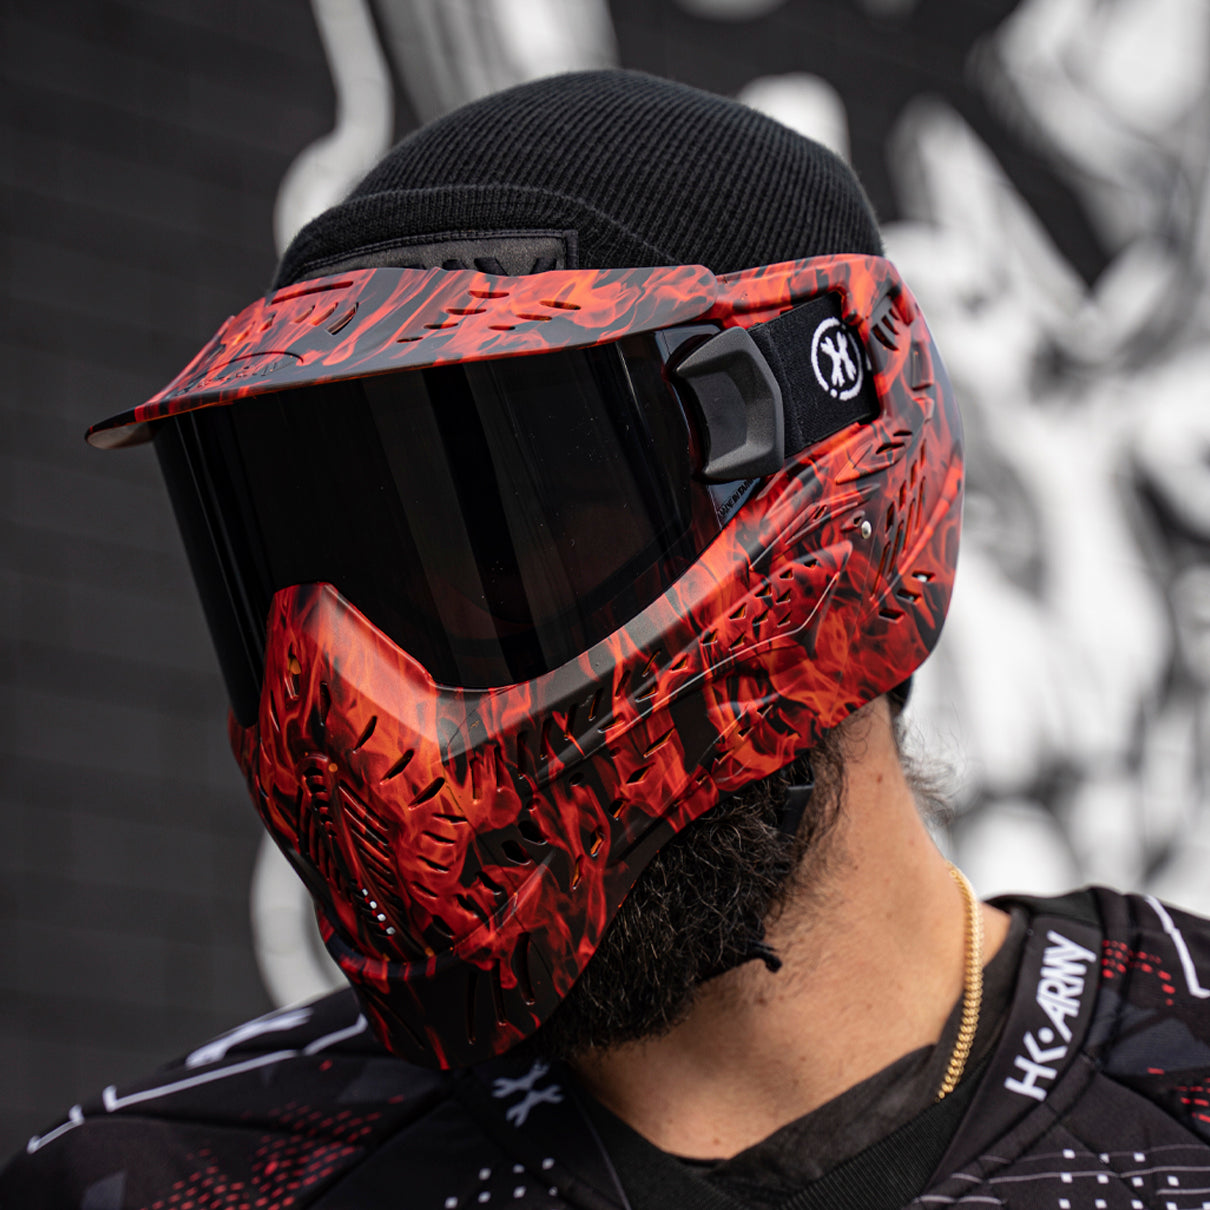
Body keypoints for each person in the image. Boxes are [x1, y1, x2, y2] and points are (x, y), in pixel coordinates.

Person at [4, 69, 1209, 1209]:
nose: (365, 710)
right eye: (334, 572)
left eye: (509, 546)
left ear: (817, 461)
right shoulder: (164, 1182)